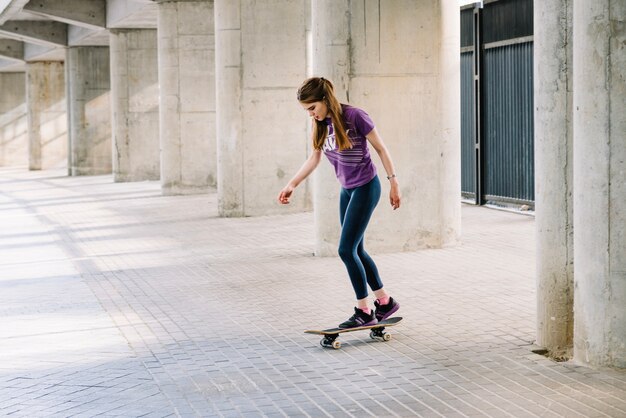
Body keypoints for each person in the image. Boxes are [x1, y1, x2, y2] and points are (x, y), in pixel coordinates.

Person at [278, 77, 401, 328]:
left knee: (346, 250)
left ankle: (364, 310)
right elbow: (314, 158)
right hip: (347, 190)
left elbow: (381, 148)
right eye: (306, 110)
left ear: (325, 100)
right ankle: (385, 302)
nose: (311, 114)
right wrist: (292, 184)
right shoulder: (321, 124)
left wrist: (393, 182)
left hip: (367, 187)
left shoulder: (355, 116)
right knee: (356, 249)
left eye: (312, 108)